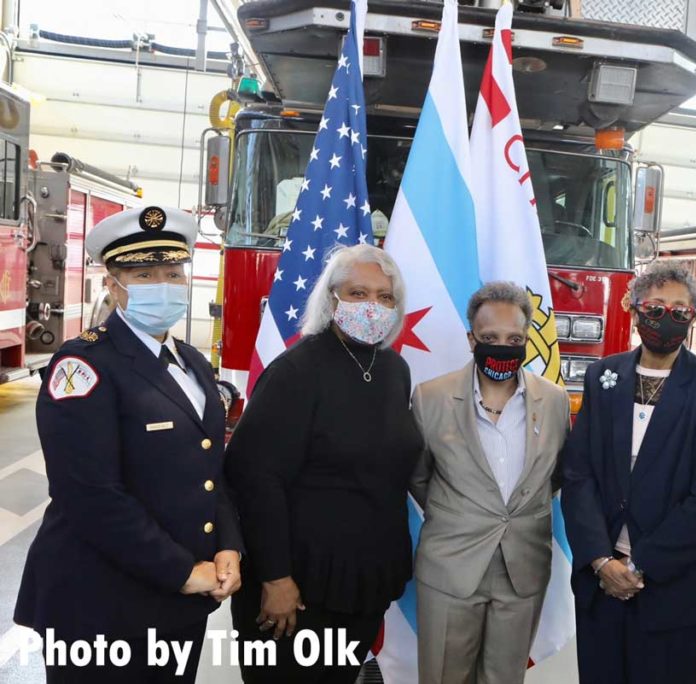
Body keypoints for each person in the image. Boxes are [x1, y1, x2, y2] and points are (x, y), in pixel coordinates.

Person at [15, 205, 244, 683]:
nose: (161, 283)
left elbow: (209, 470)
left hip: (174, 602)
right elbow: (89, 496)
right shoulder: (84, 366)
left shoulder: (192, 364)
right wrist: (184, 571)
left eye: (171, 271)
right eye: (142, 273)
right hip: (99, 602)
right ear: (112, 283)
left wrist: (228, 546)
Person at [225, 244, 423, 684]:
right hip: (296, 589)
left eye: (385, 297)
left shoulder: (393, 370)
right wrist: (276, 578)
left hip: (364, 582)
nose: (372, 305)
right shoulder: (295, 371)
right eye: (357, 293)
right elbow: (255, 479)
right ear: (331, 299)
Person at [562, 260, 696, 684]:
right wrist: (601, 559)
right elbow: (579, 474)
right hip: (603, 581)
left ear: (693, 318)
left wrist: (640, 564)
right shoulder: (602, 375)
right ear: (636, 309)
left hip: (679, 587)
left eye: (681, 310)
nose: (668, 317)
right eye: (656, 306)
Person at [410, 281, 570, 684]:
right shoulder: (431, 397)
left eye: (514, 338)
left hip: (523, 568)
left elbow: (554, 476)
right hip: (451, 565)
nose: (503, 346)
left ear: (528, 339)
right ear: (471, 339)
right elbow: (418, 477)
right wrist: (465, 513)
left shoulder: (554, 401)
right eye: (490, 338)